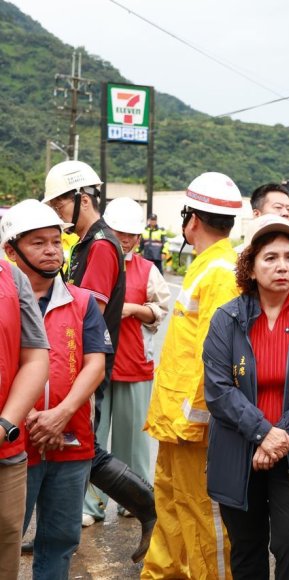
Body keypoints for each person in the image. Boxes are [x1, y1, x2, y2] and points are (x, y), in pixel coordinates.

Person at [203, 214, 289, 579]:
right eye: (270, 258)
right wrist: (263, 432)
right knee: (246, 550)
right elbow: (217, 389)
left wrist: (278, 437)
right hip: (238, 451)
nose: (282, 266)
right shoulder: (226, 318)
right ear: (250, 266)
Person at [43, 159, 156, 562]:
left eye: (60, 205)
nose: (57, 214)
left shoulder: (102, 246)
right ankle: (59, 529)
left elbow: (82, 311)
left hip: (88, 364)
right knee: (77, 450)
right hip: (79, 363)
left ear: (82, 198)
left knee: (84, 451)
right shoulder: (88, 243)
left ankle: (145, 507)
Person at [1, 199, 112, 579]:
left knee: (62, 538)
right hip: (17, 442)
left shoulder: (81, 301)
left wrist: (61, 413)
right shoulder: (6, 303)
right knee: (7, 537)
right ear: (11, 250)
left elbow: (95, 363)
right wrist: (26, 415)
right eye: (38, 243)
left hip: (71, 440)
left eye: (56, 242)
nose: (51, 251)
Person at [142, 172, 242, 579]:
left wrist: (195, 420)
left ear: (192, 220)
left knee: (202, 521)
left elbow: (215, 357)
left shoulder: (219, 271)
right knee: (170, 509)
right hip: (176, 424)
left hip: (193, 428)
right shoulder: (209, 267)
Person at [83, 198, 170, 523]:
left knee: (132, 441)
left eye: (133, 234)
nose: (127, 239)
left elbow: (160, 310)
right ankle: (91, 506)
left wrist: (134, 309)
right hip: (97, 367)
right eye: (121, 232)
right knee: (93, 442)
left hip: (134, 365)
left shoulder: (147, 269)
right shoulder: (95, 259)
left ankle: (135, 501)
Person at [0, 221, 50, 580]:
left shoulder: (11, 278)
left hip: (6, 451)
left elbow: (36, 357)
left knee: (5, 547)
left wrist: (5, 424)